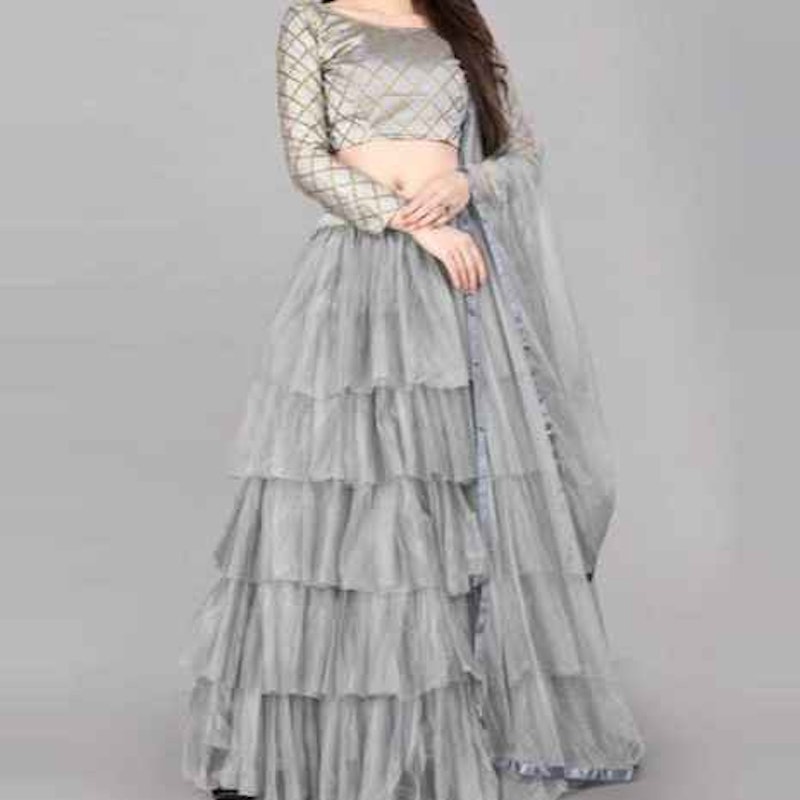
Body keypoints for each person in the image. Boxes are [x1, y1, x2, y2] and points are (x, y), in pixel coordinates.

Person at [179, 2, 646, 798]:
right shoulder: (311, 21)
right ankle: (333, 743)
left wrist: (466, 181)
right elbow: (306, 159)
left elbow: (522, 152)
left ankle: (451, 735)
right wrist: (410, 222)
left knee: (450, 492)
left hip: (461, 279)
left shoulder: (458, 23)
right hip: (361, 270)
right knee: (354, 492)